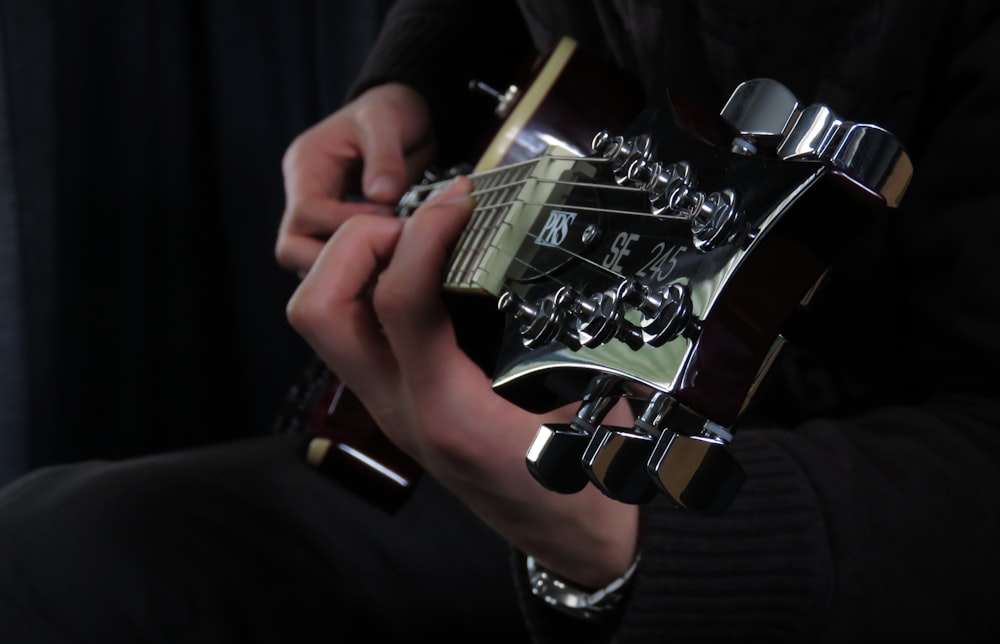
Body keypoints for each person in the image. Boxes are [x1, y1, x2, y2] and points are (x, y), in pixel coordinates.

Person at [2, 1, 999, 642]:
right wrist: (421, 79)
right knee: (47, 550)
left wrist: (626, 538)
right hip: (554, 405)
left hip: (826, 518)